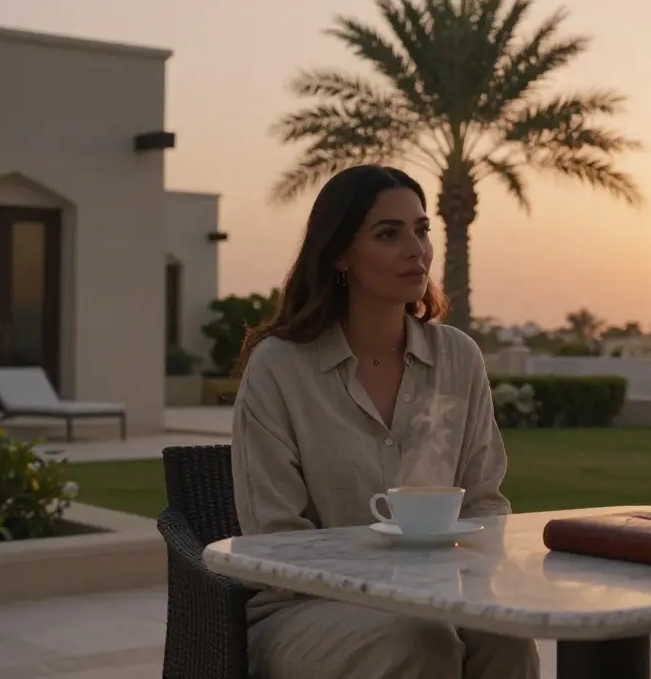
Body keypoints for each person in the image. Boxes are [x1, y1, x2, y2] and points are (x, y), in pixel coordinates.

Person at [231, 164, 540, 678]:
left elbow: (485, 502)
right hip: (304, 611)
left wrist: (467, 584)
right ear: (338, 254)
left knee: (507, 640)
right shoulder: (280, 367)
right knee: (421, 642)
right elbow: (275, 536)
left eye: (421, 229)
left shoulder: (458, 358)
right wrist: (395, 589)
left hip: (441, 599)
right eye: (388, 234)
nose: (415, 249)